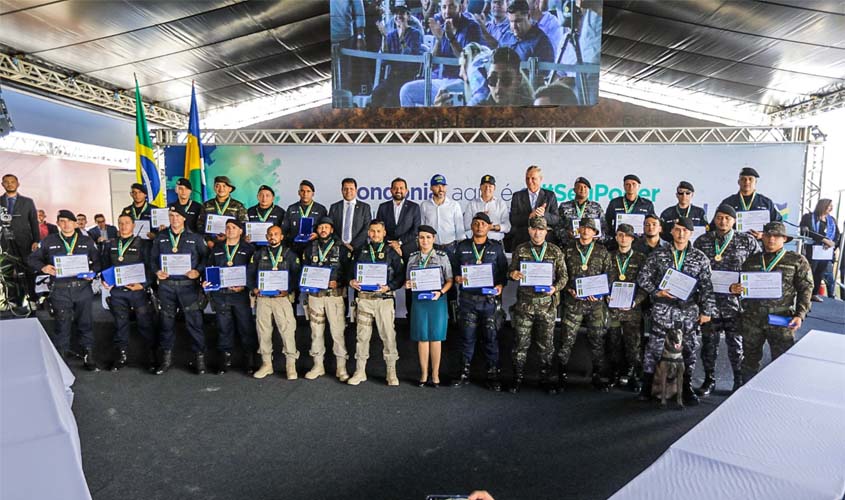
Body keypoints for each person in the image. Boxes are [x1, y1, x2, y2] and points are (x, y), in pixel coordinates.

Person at [637, 217, 715, 406]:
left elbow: (707, 287)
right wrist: (657, 291)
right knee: (654, 349)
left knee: (689, 349)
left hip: (688, 312)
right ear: (671, 231)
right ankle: (646, 386)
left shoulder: (700, 258)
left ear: (691, 233)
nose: (681, 234)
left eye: (685, 231)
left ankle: (686, 387)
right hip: (663, 310)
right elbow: (642, 277)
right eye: (677, 229)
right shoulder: (658, 254)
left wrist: (707, 311)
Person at [731, 221, 812, 382]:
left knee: (782, 361)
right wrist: (735, 288)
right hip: (752, 318)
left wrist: (800, 314)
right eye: (768, 235)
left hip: (780, 318)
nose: (771, 239)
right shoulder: (752, 260)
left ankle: (779, 391)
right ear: (763, 237)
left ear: (784, 239)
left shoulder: (796, 260)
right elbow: (742, 286)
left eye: (777, 236)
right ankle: (745, 390)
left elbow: (806, 288)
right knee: (749, 360)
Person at [693, 204, 759, 395]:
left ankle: (738, 381)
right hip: (710, 303)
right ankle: (709, 380)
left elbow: (757, 268)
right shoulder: (703, 240)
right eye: (719, 217)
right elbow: (693, 267)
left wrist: (744, 285)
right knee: (709, 345)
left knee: (736, 345)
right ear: (714, 219)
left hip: (735, 305)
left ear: (734, 221)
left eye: (727, 218)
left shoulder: (747, 241)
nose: (723, 221)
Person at [28, 210, 101, 370]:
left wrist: (92, 272)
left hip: (82, 289)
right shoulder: (49, 241)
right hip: (60, 290)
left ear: (75, 223)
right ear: (58, 223)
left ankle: (88, 356)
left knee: (85, 323)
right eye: (62, 221)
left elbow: (98, 262)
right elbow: (32, 259)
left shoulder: (87, 241)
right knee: (62, 325)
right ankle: (61, 361)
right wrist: (43, 267)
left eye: (69, 221)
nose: (66, 224)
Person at [507, 216, 567, 393]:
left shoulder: (555, 251)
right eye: (534, 229)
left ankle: (545, 379)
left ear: (546, 232)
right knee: (520, 343)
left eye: (541, 230)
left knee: (546, 345)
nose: (537, 233)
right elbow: (510, 271)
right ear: (529, 230)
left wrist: (555, 288)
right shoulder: (521, 249)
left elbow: (564, 277)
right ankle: (517, 378)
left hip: (547, 306)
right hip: (524, 306)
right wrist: (513, 274)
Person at [452, 212, 509, 391]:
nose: (479, 227)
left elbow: (503, 272)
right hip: (468, 300)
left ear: (489, 227)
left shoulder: (496, 247)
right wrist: (457, 278)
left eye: (483, 224)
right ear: (471, 226)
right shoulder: (462, 247)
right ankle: (463, 373)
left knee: (491, 338)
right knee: (466, 338)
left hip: (489, 301)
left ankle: (493, 375)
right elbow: (453, 269)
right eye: (476, 223)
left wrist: (500, 285)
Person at [150, 205, 208, 375]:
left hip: (188, 287)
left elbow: (206, 257)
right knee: (166, 323)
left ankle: (200, 359)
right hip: (167, 287)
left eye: (177, 216)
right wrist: (156, 271)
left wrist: (198, 271)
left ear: (184, 218)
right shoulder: (160, 237)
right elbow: (152, 259)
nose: (174, 219)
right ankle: (166, 360)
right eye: (171, 215)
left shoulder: (195, 237)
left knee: (194, 323)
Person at [348, 220, 405, 386]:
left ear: (384, 233)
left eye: (378, 231)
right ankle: (360, 371)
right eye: (372, 231)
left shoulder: (392, 252)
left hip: (384, 300)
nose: (375, 234)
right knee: (362, 336)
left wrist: (389, 286)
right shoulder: (360, 251)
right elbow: (349, 271)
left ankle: (391, 372)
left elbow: (401, 275)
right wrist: (351, 281)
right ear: (368, 232)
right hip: (364, 300)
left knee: (388, 336)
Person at [558, 217, 611, 392]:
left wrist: (600, 293)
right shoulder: (568, 250)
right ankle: (561, 375)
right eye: (584, 228)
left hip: (595, 305)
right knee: (566, 339)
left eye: (590, 229)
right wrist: (569, 289)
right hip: (574, 303)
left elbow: (609, 276)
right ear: (578, 230)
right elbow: (561, 275)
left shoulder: (602, 251)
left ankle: (597, 375)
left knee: (597, 340)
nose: (586, 231)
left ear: (595, 233)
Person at [100, 214, 156, 371]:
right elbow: (104, 265)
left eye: (127, 223)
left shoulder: (144, 244)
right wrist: (104, 279)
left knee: (145, 324)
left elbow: (151, 268)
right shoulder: (111, 244)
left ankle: (152, 357)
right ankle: (121, 357)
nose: (123, 226)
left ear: (133, 225)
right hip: (118, 292)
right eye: (120, 223)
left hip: (138, 291)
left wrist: (143, 285)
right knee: (120, 324)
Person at [399, 0, 483, 106]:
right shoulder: (442, 26)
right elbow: (433, 63)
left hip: (462, 81)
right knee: (406, 91)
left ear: (460, 8)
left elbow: (467, 60)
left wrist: (450, 38)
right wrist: (439, 39)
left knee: (443, 92)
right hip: (440, 79)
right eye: (444, 7)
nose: (447, 12)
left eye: (451, 6)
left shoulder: (472, 27)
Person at [203, 219, 257, 375]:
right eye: (227, 227)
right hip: (221, 295)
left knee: (245, 326)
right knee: (223, 327)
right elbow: (210, 267)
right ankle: (225, 360)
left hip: (240, 295)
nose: (230, 230)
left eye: (234, 227)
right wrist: (207, 281)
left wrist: (245, 285)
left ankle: (249, 360)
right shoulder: (217, 248)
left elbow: (253, 271)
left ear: (240, 231)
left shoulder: (249, 249)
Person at [302, 217, 352, 381]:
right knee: (316, 332)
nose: (323, 230)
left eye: (326, 227)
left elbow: (349, 273)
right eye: (320, 227)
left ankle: (341, 367)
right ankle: (318, 365)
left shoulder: (342, 249)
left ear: (332, 230)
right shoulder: (309, 248)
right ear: (317, 230)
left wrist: (339, 282)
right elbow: (303, 270)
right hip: (315, 297)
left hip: (334, 297)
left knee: (338, 332)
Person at [250, 225, 302, 380]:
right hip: (263, 299)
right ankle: (266, 364)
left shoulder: (290, 254)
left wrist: (289, 289)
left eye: (276, 234)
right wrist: (254, 288)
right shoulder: (258, 254)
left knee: (287, 331)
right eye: (270, 234)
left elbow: (297, 276)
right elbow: (250, 273)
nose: (273, 237)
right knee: (263, 331)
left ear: (281, 237)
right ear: (267, 237)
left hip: (282, 299)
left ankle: (291, 365)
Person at [406, 225, 454, 386]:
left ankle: (435, 374)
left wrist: (441, 292)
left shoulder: (442, 257)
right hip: (419, 301)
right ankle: (424, 374)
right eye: (421, 237)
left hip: (437, 300)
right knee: (422, 338)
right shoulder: (412, 258)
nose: (424, 240)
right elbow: (408, 280)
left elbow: (450, 280)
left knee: (436, 337)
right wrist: (407, 284)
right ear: (417, 239)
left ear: (433, 239)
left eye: (428, 237)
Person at [605, 223, 647, 391]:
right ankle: (615, 374)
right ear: (616, 237)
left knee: (633, 345)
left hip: (632, 310)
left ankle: (634, 375)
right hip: (612, 309)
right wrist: (605, 295)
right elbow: (601, 279)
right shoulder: (608, 256)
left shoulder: (641, 258)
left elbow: (645, 286)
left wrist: (635, 301)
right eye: (620, 235)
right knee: (613, 343)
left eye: (627, 236)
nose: (623, 238)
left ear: (632, 239)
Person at [371, 3, 424, 107]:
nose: (398, 16)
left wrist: (402, 36)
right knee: (377, 93)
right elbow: (385, 60)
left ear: (408, 16)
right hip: (393, 77)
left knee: (392, 99)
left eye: (402, 13)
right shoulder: (391, 35)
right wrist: (384, 38)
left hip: (408, 77)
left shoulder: (415, 34)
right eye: (396, 13)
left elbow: (411, 59)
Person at [1, 173, 40, 304]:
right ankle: (12, 300)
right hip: (4, 243)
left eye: (12, 182)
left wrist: (36, 240)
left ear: (18, 184)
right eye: (6, 182)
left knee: (28, 270)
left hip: (25, 242)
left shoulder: (28, 202)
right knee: (7, 271)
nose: (10, 184)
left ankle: (32, 298)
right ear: (2, 185)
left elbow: (34, 222)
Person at [719, 167, 783, 239]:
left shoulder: (766, 202)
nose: (747, 182)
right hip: (733, 242)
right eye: (743, 179)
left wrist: (764, 235)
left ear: (755, 182)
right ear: (738, 182)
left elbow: (778, 223)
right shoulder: (728, 202)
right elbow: (716, 224)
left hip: (759, 243)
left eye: (750, 179)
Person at [508, 165, 560, 250]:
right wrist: (529, 216)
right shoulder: (517, 196)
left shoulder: (550, 196)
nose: (529, 181)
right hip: (523, 239)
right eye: (527, 178)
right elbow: (513, 219)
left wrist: (543, 214)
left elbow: (556, 219)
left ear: (540, 179)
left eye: (533, 178)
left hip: (545, 240)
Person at [799, 198, 840, 302]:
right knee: (810, 272)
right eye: (829, 206)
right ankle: (805, 294)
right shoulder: (808, 217)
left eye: (832, 206)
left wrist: (832, 243)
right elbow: (807, 232)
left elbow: (837, 234)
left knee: (820, 273)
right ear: (823, 206)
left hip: (826, 252)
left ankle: (814, 293)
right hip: (812, 250)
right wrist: (823, 240)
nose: (831, 208)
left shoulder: (831, 220)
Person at [420, 174, 465, 254]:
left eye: (443, 186)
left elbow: (459, 229)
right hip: (431, 248)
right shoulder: (424, 205)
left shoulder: (454, 205)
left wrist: (461, 249)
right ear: (431, 188)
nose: (441, 189)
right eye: (437, 186)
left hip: (451, 248)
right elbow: (422, 228)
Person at [377, 177, 421, 258]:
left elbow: (416, 230)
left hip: (408, 249)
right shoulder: (383, 207)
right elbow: (379, 229)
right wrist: (392, 243)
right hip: (387, 248)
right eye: (395, 188)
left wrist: (399, 242)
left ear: (406, 191)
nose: (398, 190)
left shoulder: (414, 207)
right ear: (391, 190)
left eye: (401, 188)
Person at [557, 176, 607, 247]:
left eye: (585, 187)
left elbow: (604, 229)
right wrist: (567, 234)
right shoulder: (564, 206)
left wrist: (596, 236)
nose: (582, 189)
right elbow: (557, 227)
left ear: (588, 190)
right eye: (579, 187)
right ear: (574, 190)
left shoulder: (596, 207)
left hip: (592, 248)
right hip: (569, 246)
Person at [200, 176, 248, 247]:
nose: (221, 189)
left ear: (230, 189)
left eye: (224, 186)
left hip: (232, 244)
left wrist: (229, 236)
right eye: (217, 186)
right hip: (210, 244)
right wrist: (208, 241)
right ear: (214, 188)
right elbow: (200, 225)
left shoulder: (238, 206)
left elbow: (244, 226)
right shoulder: (206, 205)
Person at [282, 180, 329, 251]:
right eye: (302, 191)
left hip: (313, 247)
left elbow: (326, 228)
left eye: (308, 191)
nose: (305, 194)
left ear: (313, 193)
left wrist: (317, 235)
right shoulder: (291, 209)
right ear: (298, 193)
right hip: (294, 247)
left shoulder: (321, 209)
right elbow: (284, 230)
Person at [605, 174, 655, 238]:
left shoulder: (647, 204)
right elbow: (607, 222)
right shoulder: (614, 203)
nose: (631, 187)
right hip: (619, 239)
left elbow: (652, 221)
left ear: (638, 186)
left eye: (634, 184)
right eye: (627, 184)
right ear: (624, 186)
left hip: (640, 240)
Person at [329, 177, 372, 252]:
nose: (348, 191)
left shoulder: (365, 207)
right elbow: (330, 228)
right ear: (342, 190)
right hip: (338, 247)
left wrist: (353, 245)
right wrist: (341, 244)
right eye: (345, 189)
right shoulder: (334, 207)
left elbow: (367, 228)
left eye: (351, 189)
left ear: (356, 190)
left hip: (359, 248)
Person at [463, 174, 510, 241]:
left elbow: (507, 227)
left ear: (494, 188)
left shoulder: (500, 204)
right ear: (480, 187)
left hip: (496, 242)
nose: (487, 188)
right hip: (476, 242)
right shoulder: (472, 204)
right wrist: (479, 217)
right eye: (485, 186)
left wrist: (492, 227)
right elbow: (466, 226)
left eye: (490, 186)